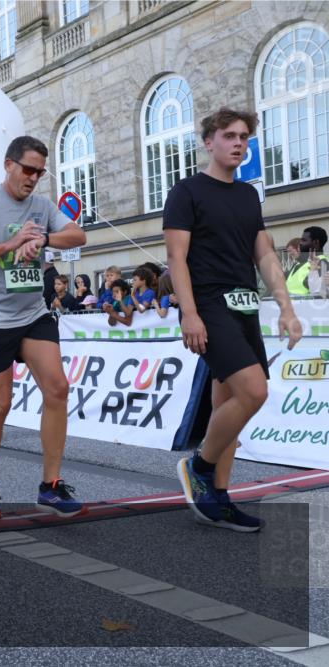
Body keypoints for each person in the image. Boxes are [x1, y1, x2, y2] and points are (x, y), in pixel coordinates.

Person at [166, 107, 302, 532]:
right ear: (209, 142)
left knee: (229, 403)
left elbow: (263, 253)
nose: (238, 142)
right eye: (229, 135)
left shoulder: (247, 196)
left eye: (244, 136)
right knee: (254, 391)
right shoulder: (186, 191)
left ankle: (218, 498)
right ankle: (200, 467)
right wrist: (189, 313)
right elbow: (176, 258)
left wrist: (286, 306)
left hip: (244, 307)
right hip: (209, 303)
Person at [0, 135, 87, 519]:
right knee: (0, 403)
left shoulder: (42, 206)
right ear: (8, 164)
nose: (33, 178)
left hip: (32, 312)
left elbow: (78, 235)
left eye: (40, 172)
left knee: (58, 387)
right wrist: (10, 244)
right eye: (28, 169)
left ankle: (51, 486)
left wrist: (42, 238)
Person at [300, 226, 329, 297]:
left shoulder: (323, 264)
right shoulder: (311, 263)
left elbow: (319, 295)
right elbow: (315, 291)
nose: (300, 243)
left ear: (316, 242)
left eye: (304, 240)